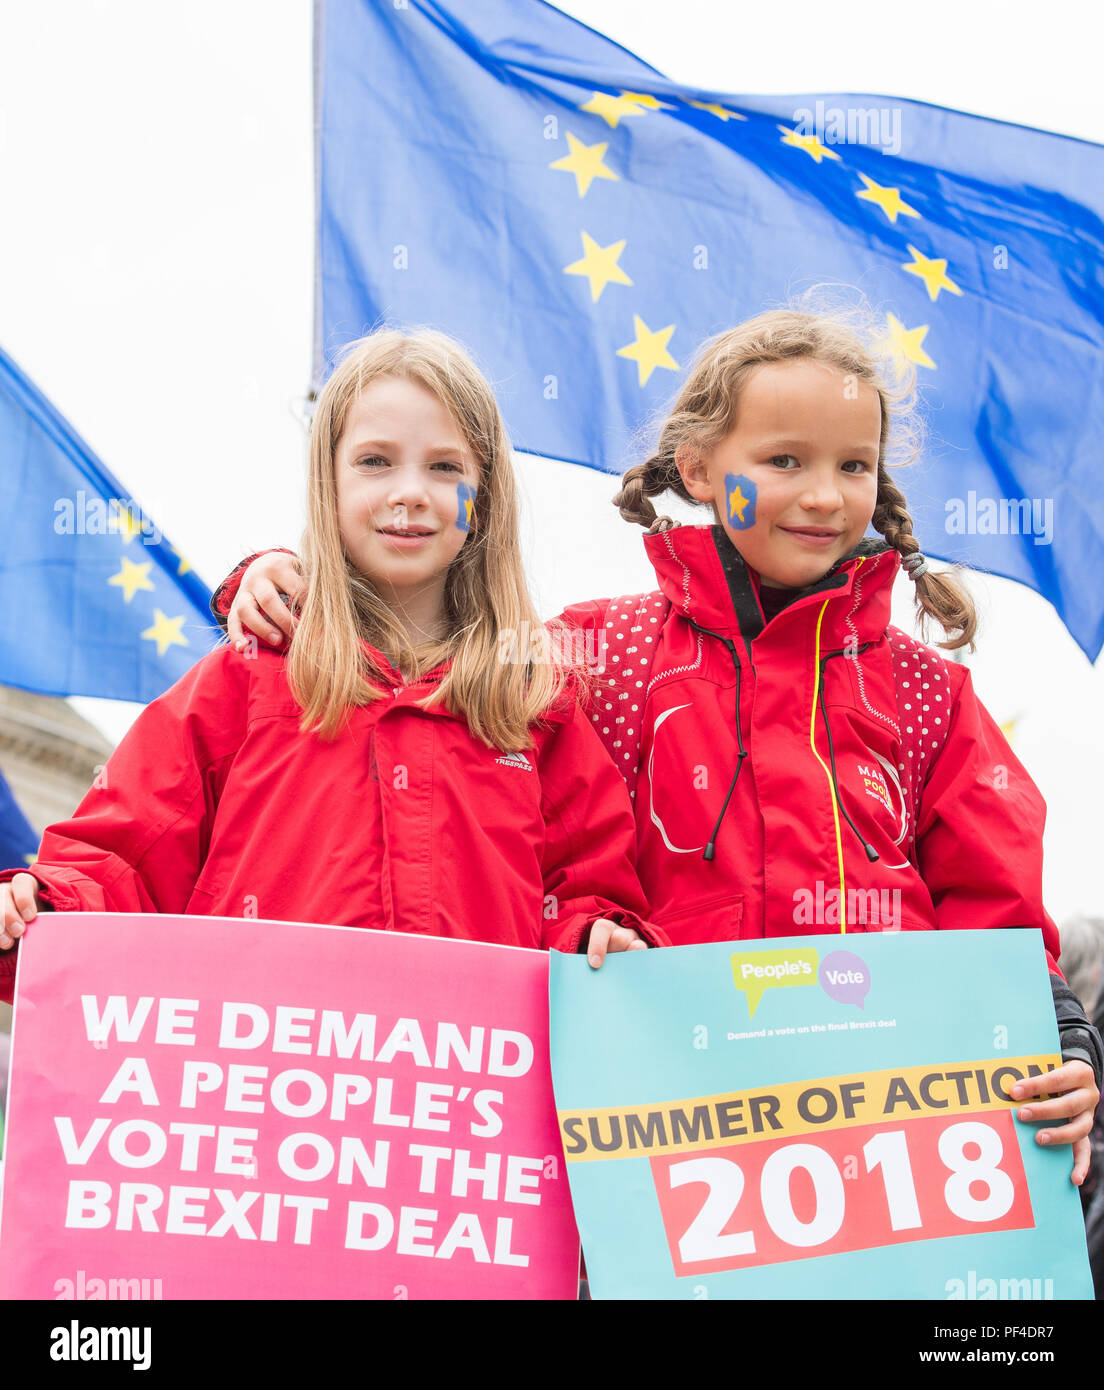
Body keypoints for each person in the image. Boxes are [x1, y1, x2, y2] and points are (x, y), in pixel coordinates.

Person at [211, 308, 1101, 1186]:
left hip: (890, 1131)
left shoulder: (924, 690)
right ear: (702, 469)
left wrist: (1059, 1042)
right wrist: (279, 583)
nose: (825, 494)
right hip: (665, 1130)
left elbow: (999, 914)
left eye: (853, 465)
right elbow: (429, 673)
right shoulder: (597, 654)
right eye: (784, 460)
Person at [0, 329, 663, 1005]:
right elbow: (124, 857)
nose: (410, 492)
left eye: (444, 468)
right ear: (328, 481)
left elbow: (585, 890)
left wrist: (597, 939)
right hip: (265, 1082)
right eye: (375, 462)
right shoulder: (247, 679)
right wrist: (40, 909)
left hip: (465, 1089)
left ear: (483, 497)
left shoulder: (533, 704)